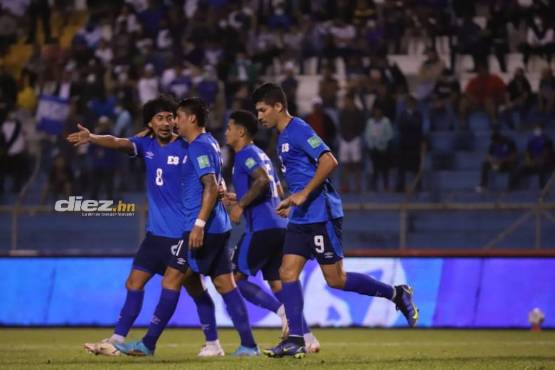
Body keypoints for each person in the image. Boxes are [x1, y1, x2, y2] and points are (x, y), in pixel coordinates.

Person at [252, 83, 418, 359]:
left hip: (321, 214)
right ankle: (295, 338)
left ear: (278, 106)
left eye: (262, 110)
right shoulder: (281, 138)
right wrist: (290, 198)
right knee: (287, 272)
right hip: (301, 217)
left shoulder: (299, 129)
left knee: (336, 279)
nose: (259, 116)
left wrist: (303, 194)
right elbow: (300, 174)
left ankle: (397, 293)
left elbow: (329, 161)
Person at [67, 96, 224, 357]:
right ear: (150, 123)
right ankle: (117, 339)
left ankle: (209, 343)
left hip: (181, 233)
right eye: (160, 118)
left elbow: (211, 173)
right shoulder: (145, 145)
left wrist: (221, 192)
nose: (166, 122)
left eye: (170, 117)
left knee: (193, 287)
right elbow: (118, 142)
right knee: (134, 282)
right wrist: (92, 137)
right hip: (155, 235)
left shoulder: (189, 145)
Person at [114, 98, 259, 357]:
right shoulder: (208, 142)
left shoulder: (197, 146)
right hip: (217, 226)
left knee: (172, 279)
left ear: (191, 119)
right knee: (225, 285)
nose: (173, 122)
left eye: (177, 116)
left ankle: (148, 344)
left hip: (201, 226)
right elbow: (216, 182)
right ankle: (247, 344)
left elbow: (212, 186)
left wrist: (199, 224)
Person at [223, 110, 320, 353]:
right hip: (279, 228)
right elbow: (275, 188)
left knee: (235, 281)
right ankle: (307, 337)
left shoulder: (245, 154)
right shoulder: (262, 155)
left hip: (261, 228)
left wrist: (240, 206)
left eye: (229, 127)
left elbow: (262, 182)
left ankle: (283, 313)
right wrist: (238, 197)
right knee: (278, 285)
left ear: (241, 132)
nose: (226, 131)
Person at [510, 124, 554, 190]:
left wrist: (540, 159)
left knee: (541, 167)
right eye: (536, 129)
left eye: (539, 129)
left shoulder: (547, 140)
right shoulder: (531, 141)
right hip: (534, 162)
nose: (537, 131)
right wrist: (528, 161)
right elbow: (528, 153)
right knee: (520, 168)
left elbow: (547, 153)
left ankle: (542, 188)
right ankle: (511, 188)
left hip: (545, 162)